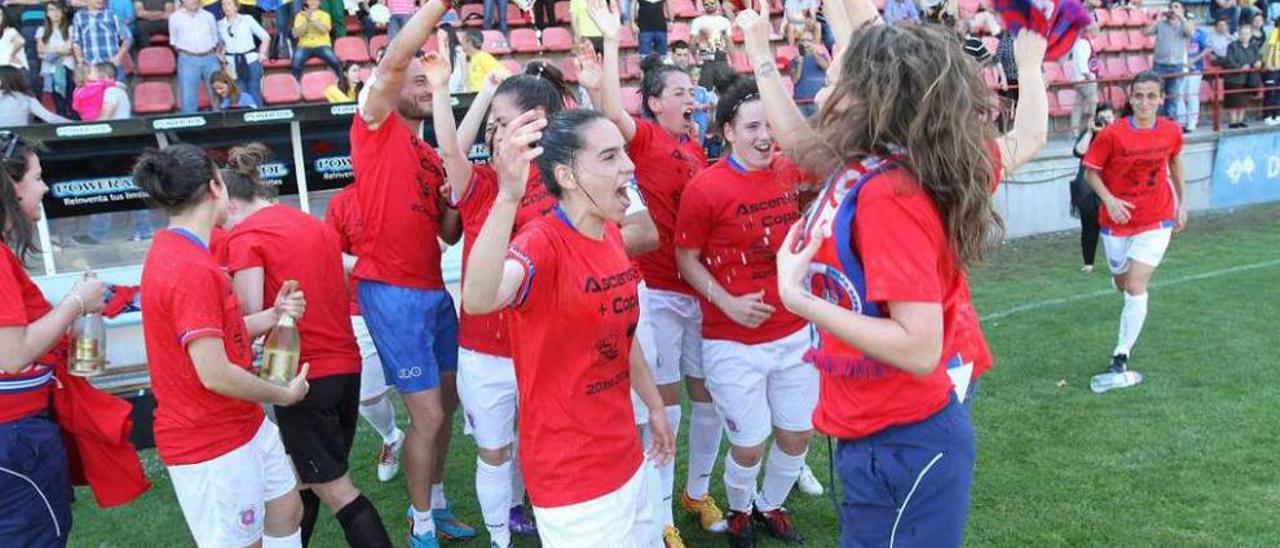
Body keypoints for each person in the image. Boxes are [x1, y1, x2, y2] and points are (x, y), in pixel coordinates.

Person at [735, 0, 1047, 541]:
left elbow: (919, 346)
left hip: (902, 429)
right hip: (875, 423)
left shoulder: (890, 192)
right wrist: (762, 51)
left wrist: (798, 296)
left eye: (836, 72)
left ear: (867, 98)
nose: (823, 80)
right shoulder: (868, 166)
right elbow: (802, 139)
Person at [460, 105, 676, 548]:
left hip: (626, 456)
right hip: (572, 477)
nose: (629, 165)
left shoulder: (610, 234)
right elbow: (480, 298)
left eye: (625, 154)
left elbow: (619, 333)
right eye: (610, 157)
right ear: (568, 176)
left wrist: (653, 405)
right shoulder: (542, 243)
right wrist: (507, 197)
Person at [583, 0, 725, 543]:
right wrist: (612, 43)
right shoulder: (641, 138)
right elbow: (613, 113)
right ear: (655, 103)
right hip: (657, 291)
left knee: (706, 396)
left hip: (699, 289)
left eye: (692, 91)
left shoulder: (694, 146)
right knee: (663, 405)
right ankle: (662, 515)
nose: (692, 98)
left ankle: (696, 491)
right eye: (681, 93)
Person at [134, 143, 309, 548]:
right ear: (216, 187)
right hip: (209, 440)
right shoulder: (189, 266)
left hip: (240, 423)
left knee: (287, 508)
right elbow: (213, 373)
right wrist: (281, 394)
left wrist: (272, 314)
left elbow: (218, 333)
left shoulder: (183, 250)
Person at [218, 144, 392, 548]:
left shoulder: (246, 235)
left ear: (226, 202)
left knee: (335, 488)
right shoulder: (311, 224)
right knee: (304, 481)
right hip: (345, 366)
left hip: (303, 376)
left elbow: (249, 316)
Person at [349, 2, 474, 545]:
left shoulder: (426, 154)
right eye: (418, 79)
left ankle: (438, 502)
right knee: (425, 414)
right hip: (392, 292)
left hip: (431, 288)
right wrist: (438, 9)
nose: (426, 86)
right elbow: (399, 54)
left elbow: (449, 233)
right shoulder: (373, 124)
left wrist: (457, 189)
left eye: (433, 81)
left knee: (444, 409)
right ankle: (420, 524)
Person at [674, 78, 815, 546]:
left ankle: (769, 504)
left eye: (770, 125)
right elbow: (686, 259)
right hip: (731, 341)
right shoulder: (705, 187)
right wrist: (728, 301)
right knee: (749, 443)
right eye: (752, 126)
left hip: (794, 331)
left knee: (797, 434)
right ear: (727, 131)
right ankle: (738, 509)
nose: (764, 136)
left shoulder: (791, 171)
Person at [0, 134, 108, 547]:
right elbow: (12, 354)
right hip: (14, 438)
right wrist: (76, 304)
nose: (45, 188)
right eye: (38, 177)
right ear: (11, 186)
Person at [1083, 71, 1186, 380]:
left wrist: (1183, 201)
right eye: (1139, 95)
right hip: (1116, 223)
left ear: (1161, 99)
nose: (1144, 102)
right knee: (1121, 282)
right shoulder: (1112, 134)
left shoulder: (1171, 131)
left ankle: (1121, 354)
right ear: (1130, 98)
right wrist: (1110, 201)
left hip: (1157, 218)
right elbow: (1091, 172)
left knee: (1136, 286)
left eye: (1151, 96)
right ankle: (1120, 283)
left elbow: (1176, 162)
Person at [322, 183, 406, 485]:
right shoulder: (343, 201)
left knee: (425, 397)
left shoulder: (409, 187)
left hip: (413, 303)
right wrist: (369, 266)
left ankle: (432, 485)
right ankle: (391, 436)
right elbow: (331, 253)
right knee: (367, 396)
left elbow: (443, 238)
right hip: (361, 306)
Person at [1071, 103, 1116, 274]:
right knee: (1089, 226)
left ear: (1115, 118)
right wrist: (1090, 132)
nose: (1105, 121)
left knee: (1112, 226)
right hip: (1088, 188)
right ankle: (1088, 263)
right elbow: (1078, 151)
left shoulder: (1117, 134)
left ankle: (1117, 260)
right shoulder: (1089, 135)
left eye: (1109, 117)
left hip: (1111, 186)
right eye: (1102, 117)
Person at [169, 0, 222, 113]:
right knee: (188, 96)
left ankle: (220, 125)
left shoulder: (209, 16)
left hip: (210, 57)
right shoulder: (174, 18)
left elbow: (215, 37)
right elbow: (174, 41)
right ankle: (190, 128)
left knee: (217, 93)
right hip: (187, 59)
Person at [1145, 2, 1194, 121]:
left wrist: (1181, 17)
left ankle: (1170, 125)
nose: (1173, 10)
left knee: (1172, 99)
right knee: (1158, 96)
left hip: (1176, 66)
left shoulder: (1185, 24)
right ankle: (1158, 123)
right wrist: (1158, 20)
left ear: (1182, 10)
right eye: (1171, 7)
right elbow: (1145, 32)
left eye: (1176, 7)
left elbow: (1190, 32)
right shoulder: (1161, 23)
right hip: (1159, 65)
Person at [219, 0, 270, 107]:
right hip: (232, 64)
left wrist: (262, 54)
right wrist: (221, 55)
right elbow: (219, 44)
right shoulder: (220, 24)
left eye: (229, 4)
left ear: (236, 6)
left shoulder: (247, 19)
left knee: (254, 91)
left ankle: (259, 119)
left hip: (251, 60)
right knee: (240, 93)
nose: (226, 7)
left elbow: (265, 37)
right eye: (223, 4)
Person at [71, 0, 133, 80]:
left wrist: (118, 57)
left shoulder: (112, 15)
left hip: (111, 66)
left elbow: (127, 37)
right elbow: (76, 42)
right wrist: (80, 61)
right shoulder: (78, 17)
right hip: (91, 68)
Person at [36, 2, 77, 118]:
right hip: (50, 70)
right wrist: (59, 50)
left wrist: (51, 50)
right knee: (57, 103)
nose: (55, 13)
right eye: (51, 10)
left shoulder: (70, 29)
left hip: (68, 67)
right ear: (47, 13)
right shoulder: (41, 30)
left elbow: (69, 50)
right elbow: (40, 50)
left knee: (71, 100)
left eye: (58, 9)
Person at [1221, 24, 1262, 127]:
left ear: (1251, 35)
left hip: (1248, 78)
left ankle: (1240, 120)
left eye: (1247, 33)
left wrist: (1258, 62)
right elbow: (1229, 61)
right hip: (1233, 78)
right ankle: (1233, 121)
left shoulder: (1254, 46)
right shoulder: (1232, 46)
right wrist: (1240, 68)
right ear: (1239, 34)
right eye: (1242, 33)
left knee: (1244, 100)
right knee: (1233, 100)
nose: (1245, 36)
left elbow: (1258, 57)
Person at [0, 65, 69, 126]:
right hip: (20, 138)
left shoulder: (26, 98)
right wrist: (75, 124)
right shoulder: (26, 98)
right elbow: (51, 118)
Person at [1068, 24, 1099, 130]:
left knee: (1078, 106)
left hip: (1079, 79)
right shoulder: (1084, 43)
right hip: (1085, 80)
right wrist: (1088, 76)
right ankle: (1095, 125)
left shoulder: (1081, 42)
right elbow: (1082, 63)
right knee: (1093, 104)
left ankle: (1074, 129)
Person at [791, 29, 827, 117]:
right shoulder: (794, 61)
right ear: (799, 43)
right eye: (803, 40)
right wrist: (800, 62)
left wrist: (814, 52)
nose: (806, 42)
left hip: (818, 101)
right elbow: (795, 80)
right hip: (801, 103)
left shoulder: (821, 57)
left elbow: (826, 67)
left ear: (813, 42)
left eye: (808, 40)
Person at [1182, 24, 1211, 131]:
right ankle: (1182, 120)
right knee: (1179, 95)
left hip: (1195, 68)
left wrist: (1194, 59)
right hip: (1179, 68)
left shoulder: (1200, 33)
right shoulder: (1178, 30)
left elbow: (1207, 48)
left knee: (1192, 95)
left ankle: (1192, 122)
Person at [1263, 17, 1280, 125]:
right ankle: (1267, 116)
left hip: (1278, 68)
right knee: (1271, 92)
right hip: (1272, 68)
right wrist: (1268, 63)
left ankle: (1277, 115)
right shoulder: (1275, 31)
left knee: (1278, 93)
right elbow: (1271, 48)